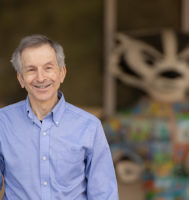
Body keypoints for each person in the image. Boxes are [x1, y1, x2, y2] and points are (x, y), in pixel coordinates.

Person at [0, 35, 119, 199]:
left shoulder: (90, 127)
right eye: (31, 69)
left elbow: (104, 194)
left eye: (48, 68)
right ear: (21, 78)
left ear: (62, 73)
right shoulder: (3, 123)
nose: (41, 78)